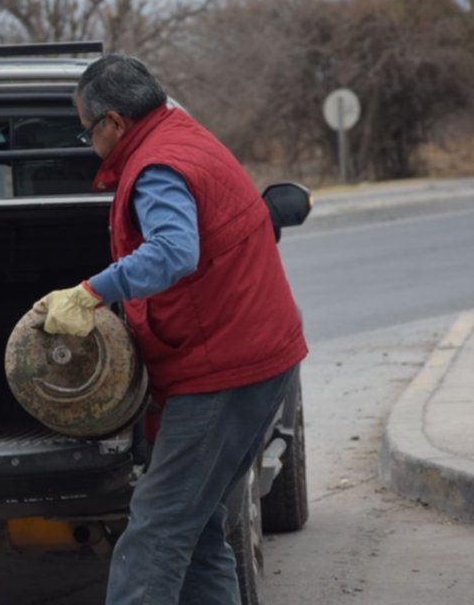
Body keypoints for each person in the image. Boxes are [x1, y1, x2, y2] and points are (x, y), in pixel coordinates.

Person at [32, 53, 308, 604]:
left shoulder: (158, 165)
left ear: (113, 123)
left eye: (87, 130)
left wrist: (91, 293)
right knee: (199, 526)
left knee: (156, 531)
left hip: (224, 372)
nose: (88, 142)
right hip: (250, 360)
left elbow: (174, 252)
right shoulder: (182, 136)